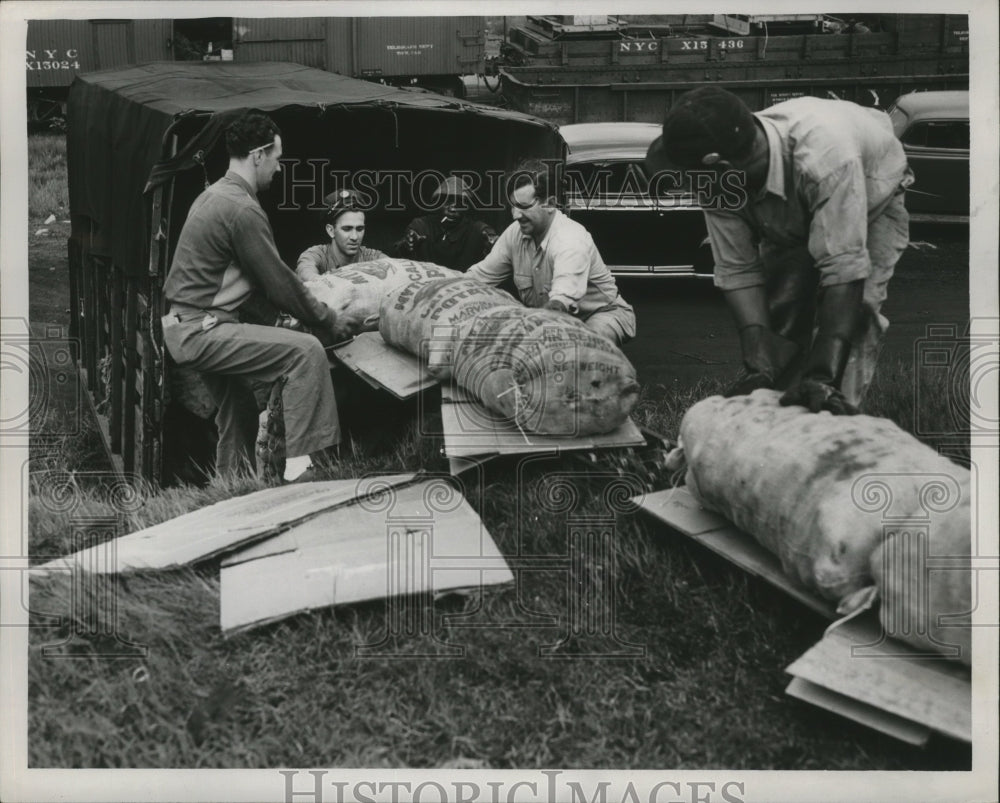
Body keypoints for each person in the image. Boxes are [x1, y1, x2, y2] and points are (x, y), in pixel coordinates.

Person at [645, 86, 913, 414]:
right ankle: (780, 410)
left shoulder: (825, 157)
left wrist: (821, 375)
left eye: (688, 178)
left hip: (868, 195)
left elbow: (844, 270)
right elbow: (738, 270)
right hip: (782, 195)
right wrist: (761, 363)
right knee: (785, 308)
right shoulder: (719, 182)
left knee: (858, 314)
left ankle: (834, 416)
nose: (686, 187)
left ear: (720, 166)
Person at [162, 111, 341, 483]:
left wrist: (281, 318)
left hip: (185, 325)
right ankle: (301, 471)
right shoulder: (242, 209)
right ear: (258, 155)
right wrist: (327, 319)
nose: (278, 169)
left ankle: (232, 485)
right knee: (305, 352)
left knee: (240, 408)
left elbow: (250, 280)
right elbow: (278, 281)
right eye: (277, 159)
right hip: (202, 331)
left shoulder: (215, 195)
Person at [464, 160, 636, 347]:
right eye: (512, 206)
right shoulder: (515, 232)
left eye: (524, 206)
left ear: (550, 204)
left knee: (579, 350)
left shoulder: (570, 239)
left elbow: (559, 305)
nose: (515, 215)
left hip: (599, 315)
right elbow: (478, 278)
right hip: (549, 317)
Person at [394, 176, 497, 270]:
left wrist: (492, 240)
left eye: (459, 204)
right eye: (447, 202)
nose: (452, 209)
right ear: (438, 204)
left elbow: (486, 233)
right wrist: (406, 245)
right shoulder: (421, 227)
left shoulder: (475, 230)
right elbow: (396, 257)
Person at [295, 189, 386, 281]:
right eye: (347, 229)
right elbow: (305, 272)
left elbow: (395, 269)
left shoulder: (372, 257)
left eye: (359, 229)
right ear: (331, 230)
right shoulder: (316, 255)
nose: (354, 237)